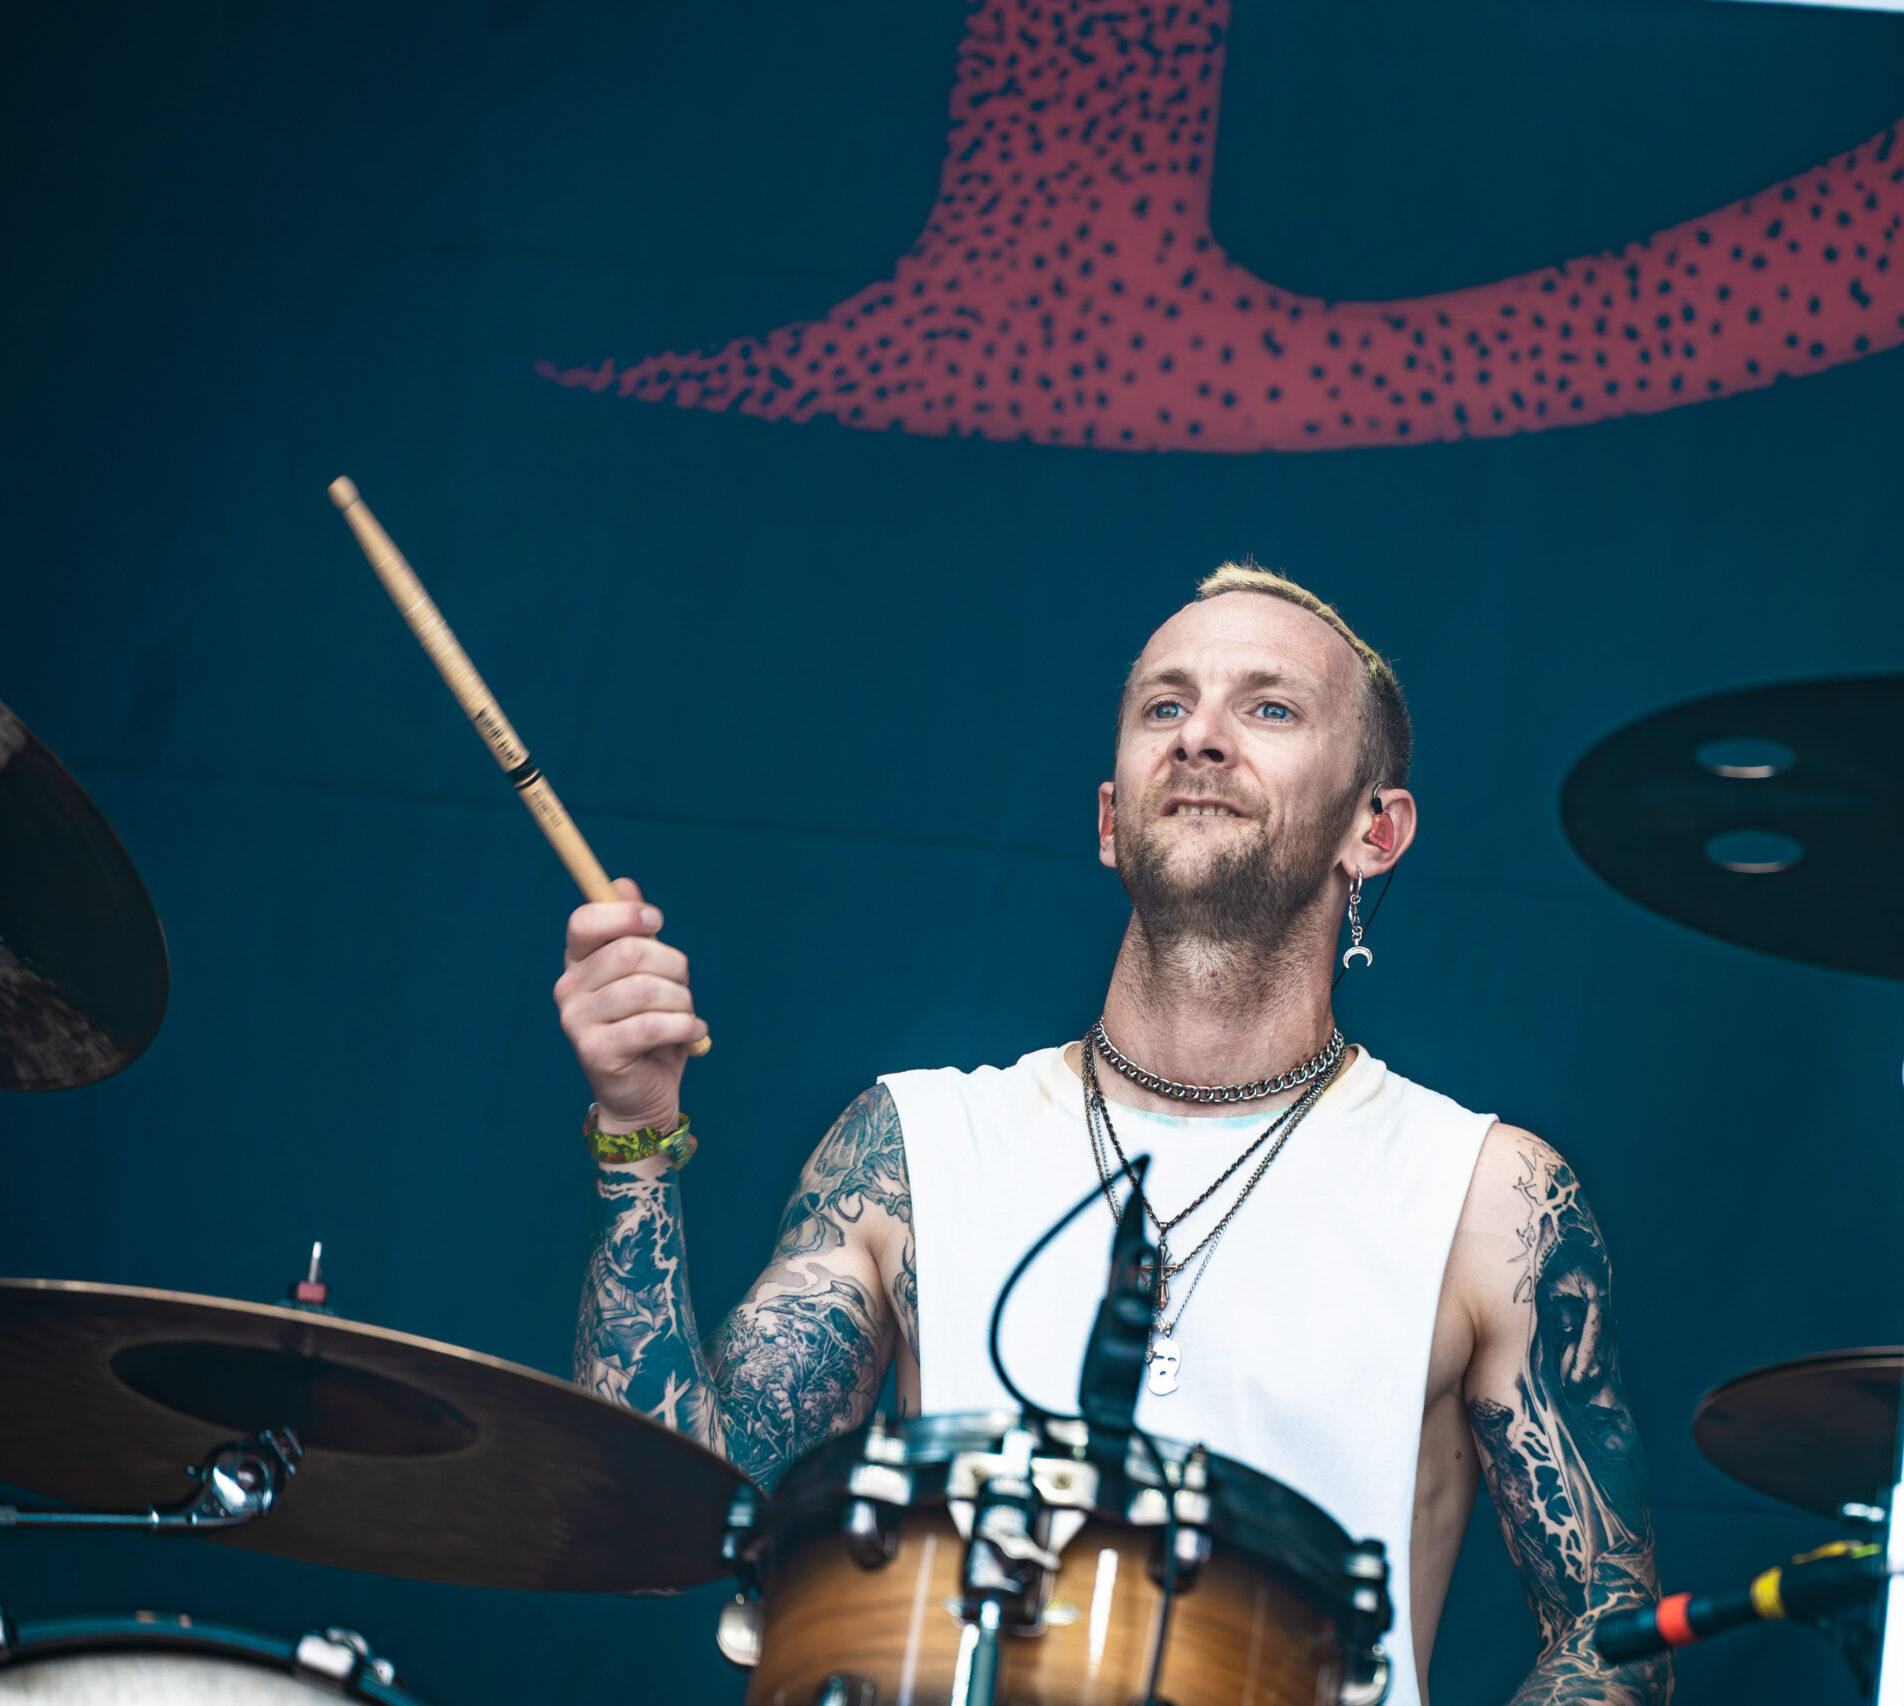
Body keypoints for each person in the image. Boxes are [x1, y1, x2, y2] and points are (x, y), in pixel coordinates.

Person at [560, 564, 1669, 1706]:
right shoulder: (913, 1147)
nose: (1201, 736)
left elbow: (1608, 1630)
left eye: (1269, 707)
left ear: (1373, 829)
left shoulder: (1487, 1196)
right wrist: (637, 1130)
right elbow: (659, 1529)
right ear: (1107, 818)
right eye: (1164, 704)